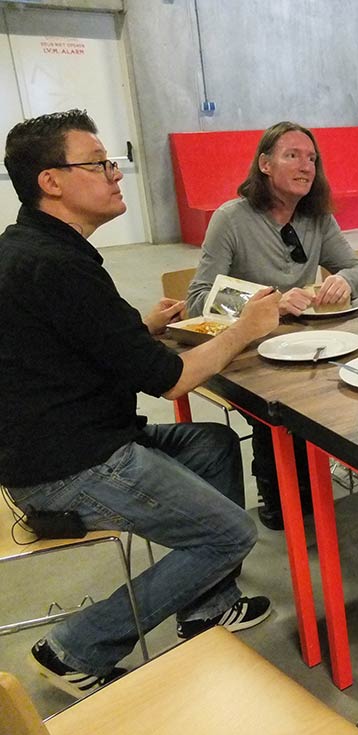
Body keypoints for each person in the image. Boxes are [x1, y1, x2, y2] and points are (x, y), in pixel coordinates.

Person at [0, 110, 281, 699]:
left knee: (213, 442)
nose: (115, 173)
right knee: (230, 534)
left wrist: (139, 328)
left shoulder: (32, 249)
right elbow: (172, 381)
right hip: (69, 468)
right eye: (99, 163)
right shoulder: (57, 265)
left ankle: (208, 606)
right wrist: (246, 328)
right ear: (51, 181)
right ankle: (75, 648)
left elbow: (72, 340)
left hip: (69, 438)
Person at [186, 122, 358, 531]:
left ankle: (316, 485)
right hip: (249, 354)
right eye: (292, 155)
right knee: (281, 408)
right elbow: (198, 300)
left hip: (307, 347)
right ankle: (279, 490)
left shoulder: (316, 218)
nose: (306, 166)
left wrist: (345, 280)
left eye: (312, 158)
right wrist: (267, 304)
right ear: (265, 165)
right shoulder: (230, 219)